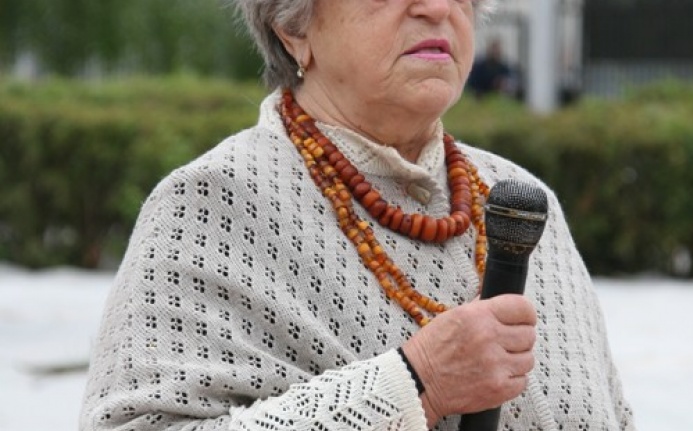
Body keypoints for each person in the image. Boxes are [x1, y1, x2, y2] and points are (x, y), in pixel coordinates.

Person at [80, 0, 635, 430]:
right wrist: (416, 383)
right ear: (293, 27)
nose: (436, 8)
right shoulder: (209, 205)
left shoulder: (522, 202)